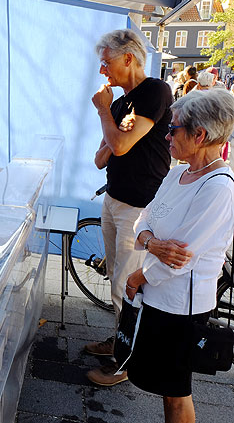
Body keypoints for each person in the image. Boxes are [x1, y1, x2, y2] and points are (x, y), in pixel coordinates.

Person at [125, 88, 234, 423]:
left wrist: (138, 275)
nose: (167, 135)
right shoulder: (177, 173)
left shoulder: (218, 187)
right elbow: (142, 220)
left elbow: (180, 259)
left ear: (199, 135)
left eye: (173, 129)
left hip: (181, 305)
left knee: (176, 392)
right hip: (159, 296)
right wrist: (152, 242)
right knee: (165, 386)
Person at [87, 29, 173, 386]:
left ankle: (126, 362)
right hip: (113, 198)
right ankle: (119, 342)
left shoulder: (155, 91)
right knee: (115, 276)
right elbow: (100, 157)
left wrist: (105, 112)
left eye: (106, 63)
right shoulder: (122, 103)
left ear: (128, 58)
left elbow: (119, 147)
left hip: (139, 207)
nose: (103, 71)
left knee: (128, 281)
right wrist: (111, 125)